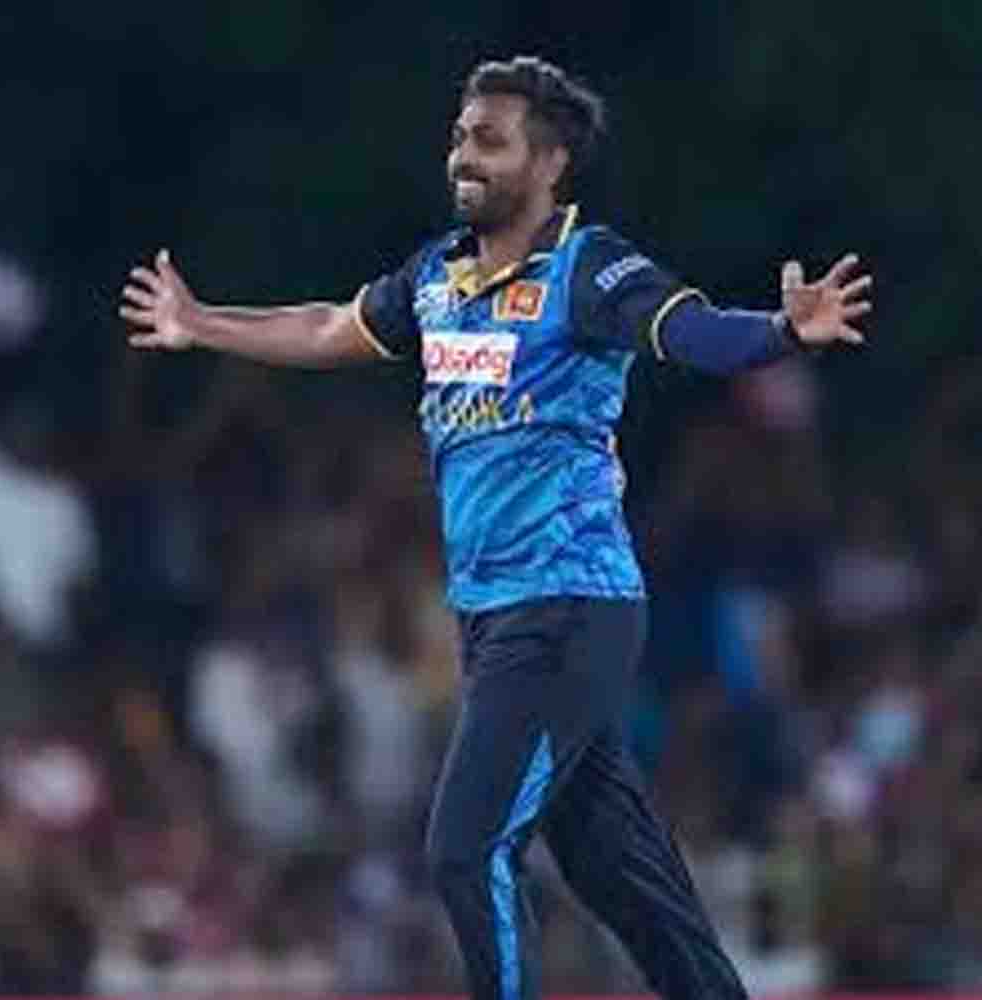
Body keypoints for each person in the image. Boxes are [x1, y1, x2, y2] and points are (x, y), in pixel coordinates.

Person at [120, 56, 871, 1000]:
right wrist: (200, 323)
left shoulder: (588, 266)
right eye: (459, 136)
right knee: (615, 868)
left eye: (489, 140)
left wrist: (780, 332)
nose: (462, 156)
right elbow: (324, 328)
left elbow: (691, 331)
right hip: (492, 618)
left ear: (550, 161)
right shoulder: (437, 274)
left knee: (466, 851)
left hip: (567, 605)